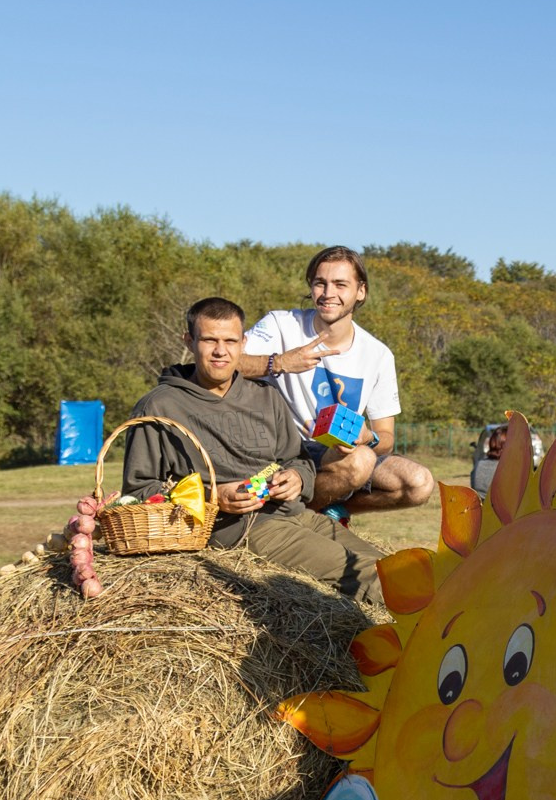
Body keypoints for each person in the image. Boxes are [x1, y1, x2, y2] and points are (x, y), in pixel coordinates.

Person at [124, 297, 387, 609]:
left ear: (243, 343)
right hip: (242, 529)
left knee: (392, 567)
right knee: (370, 578)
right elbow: (138, 491)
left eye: (230, 341)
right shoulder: (159, 406)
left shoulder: (266, 396)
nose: (220, 351)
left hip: (295, 514)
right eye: (209, 340)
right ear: (189, 342)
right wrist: (213, 497)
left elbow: (298, 458)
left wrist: (297, 479)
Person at [243, 246, 436, 518]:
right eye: (320, 283)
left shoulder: (378, 355)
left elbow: (386, 438)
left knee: (419, 483)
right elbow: (223, 363)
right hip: (285, 450)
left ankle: (329, 511)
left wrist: (368, 438)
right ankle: (291, 516)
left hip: (339, 454)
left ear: (361, 291)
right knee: (361, 460)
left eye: (340, 284)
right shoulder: (281, 324)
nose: (328, 293)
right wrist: (280, 362)